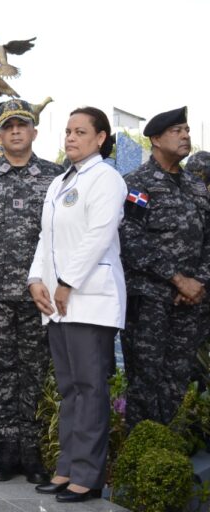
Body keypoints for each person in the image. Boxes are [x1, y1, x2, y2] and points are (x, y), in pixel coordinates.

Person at [0, 99, 62, 483]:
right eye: (8, 126)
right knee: (0, 371)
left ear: (34, 131)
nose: (16, 131)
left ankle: (31, 450)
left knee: (34, 371)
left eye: (23, 125)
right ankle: (7, 448)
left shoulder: (55, 178)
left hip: (40, 294)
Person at [28, 107, 127, 502]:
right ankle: (67, 468)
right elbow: (45, 239)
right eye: (68, 131)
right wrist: (36, 279)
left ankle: (88, 475)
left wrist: (67, 282)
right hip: (57, 302)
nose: (70, 138)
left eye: (80, 131)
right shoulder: (59, 182)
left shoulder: (106, 178)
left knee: (89, 388)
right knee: (70, 389)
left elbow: (98, 236)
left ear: (100, 138)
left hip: (89, 299)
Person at [120, 107, 210, 430]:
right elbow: (130, 239)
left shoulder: (196, 187)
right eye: (177, 131)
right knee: (145, 382)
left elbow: (207, 240)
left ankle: (166, 455)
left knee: (177, 381)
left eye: (187, 130)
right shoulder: (136, 185)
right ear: (156, 139)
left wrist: (197, 281)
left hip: (190, 304)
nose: (186, 136)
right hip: (150, 303)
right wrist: (178, 280)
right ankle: (139, 461)